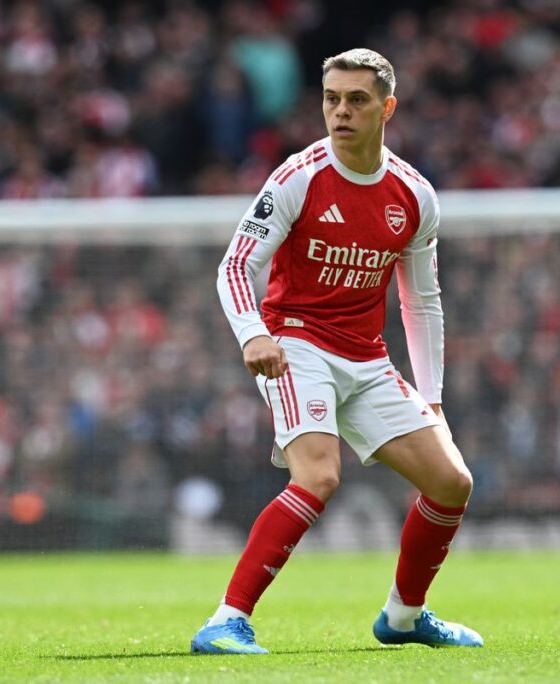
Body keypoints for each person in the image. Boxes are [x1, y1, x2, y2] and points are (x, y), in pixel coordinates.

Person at [191, 48, 482, 654]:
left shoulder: (415, 195)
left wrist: (432, 399)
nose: (341, 111)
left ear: (387, 108)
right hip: (294, 342)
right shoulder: (298, 177)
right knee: (319, 475)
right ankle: (225, 620)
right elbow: (236, 266)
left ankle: (404, 616)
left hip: (367, 358)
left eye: (356, 100)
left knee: (452, 482)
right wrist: (253, 332)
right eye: (331, 99)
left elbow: (421, 302)